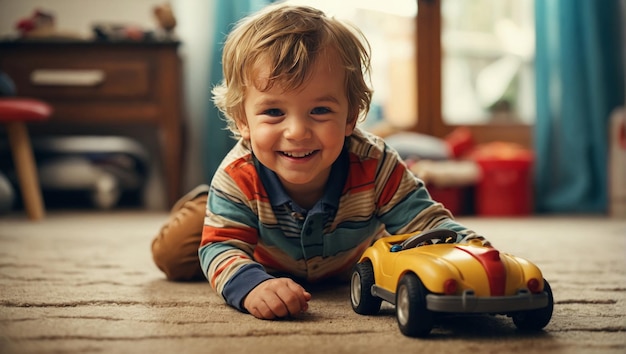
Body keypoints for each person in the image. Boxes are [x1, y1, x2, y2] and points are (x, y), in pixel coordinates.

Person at [151, 3, 488, 320]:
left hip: (343, 252)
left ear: (350, 117)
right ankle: (207, 205)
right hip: (253, 228)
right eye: (273, 112)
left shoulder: (376, 164)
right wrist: (253, 284)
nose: (297, 132)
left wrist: (478, 254)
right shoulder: (237, 176)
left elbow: (429, 225)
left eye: (320, 111)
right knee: (177, 255)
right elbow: (221, 247)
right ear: (242, 120)